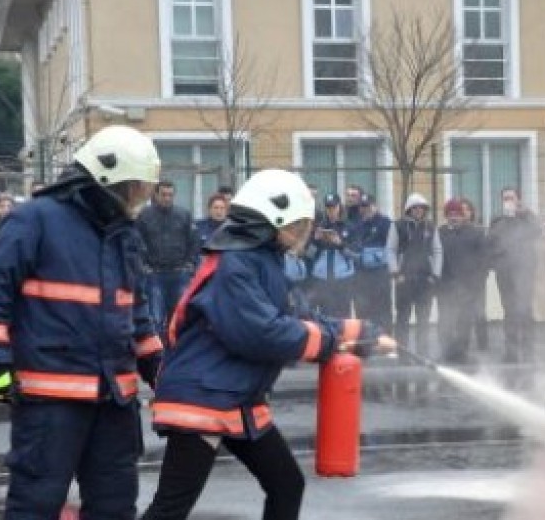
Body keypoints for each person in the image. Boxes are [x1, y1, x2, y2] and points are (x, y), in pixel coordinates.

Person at [141, 169, 395, 520]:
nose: (305, 232)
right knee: (172, 506)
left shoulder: (260, 259)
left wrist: (361, 331)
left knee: (287, 484)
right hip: (204, 399)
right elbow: (262, 333)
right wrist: (332, 342)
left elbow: (298, 318)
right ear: (275, 221)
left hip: (234, 395)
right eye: (300, 223)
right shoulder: (235, 264)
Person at [0, 126, 164, 517]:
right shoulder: (36, 219)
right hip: (51, 399)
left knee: (115, 505)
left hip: (114, 399)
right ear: (108, 181)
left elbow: (135, 311)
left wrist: (161, 371)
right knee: (35, 504)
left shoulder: (124, 233)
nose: (140, 199)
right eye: (136, 188)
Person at [136, 180, 198, 335]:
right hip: (154, 274)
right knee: (155, 318)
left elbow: (194, 241)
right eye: (164, 195)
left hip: (179, 273)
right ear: (155, 195)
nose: (167, 198)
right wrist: (143, 265)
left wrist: (190, 264)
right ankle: (158, 354)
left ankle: (177, 352)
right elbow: (136, 241)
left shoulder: (184, 215)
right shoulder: (144, 215)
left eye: (170, 195)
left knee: (179, 317)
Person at [487, 187, 542, 363]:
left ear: (518, 200)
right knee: (509, 311)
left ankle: (528, 349)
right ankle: (510, 351)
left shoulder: (527, 218)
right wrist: (495, 263)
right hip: (505, 272)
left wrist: (525, 214)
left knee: (525, 309)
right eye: (505, 198)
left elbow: (537, 231)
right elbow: (490, 243)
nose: (508, 201)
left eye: (511, 198)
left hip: (524, 271)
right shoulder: (497, 220)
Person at [386, 193, 442, 357]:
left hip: (425, 280)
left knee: (423, 319)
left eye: (422, 208)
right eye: (415, 208)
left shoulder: (430, 227)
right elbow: (390, 250)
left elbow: (437, 250)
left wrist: (435, 275)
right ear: (409, 209)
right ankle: (403, 353)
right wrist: (396, 273)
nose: (419, 211)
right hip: (404, 279)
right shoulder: (397, 226)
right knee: (403, 318)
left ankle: (422, 353)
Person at [436, 198, 487, 364]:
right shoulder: (440, 233)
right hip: (446, 286)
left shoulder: (476, 233)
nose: (454, 217)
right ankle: (447, 352)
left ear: (463, 216)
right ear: (446, 216)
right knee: (445, 321)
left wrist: (477, 283)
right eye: (450, 214)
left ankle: (462, 354)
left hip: (468, 286)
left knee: (464, 322)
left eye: (457, 214)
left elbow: (483, 260)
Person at [301, 192, 356, 319]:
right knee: (324, 314)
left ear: (339, 207)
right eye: (328, 207)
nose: (331, 211)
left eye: (334, 207)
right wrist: (315, 240)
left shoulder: (348, 226)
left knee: (343, 314)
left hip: (343, 278)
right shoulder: (318, 226)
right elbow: (308, 255)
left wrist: (340, 244)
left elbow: (356, 255)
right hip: (321, 278)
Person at [351, 193, 392, 335]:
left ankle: (385, 342)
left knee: (382, 311)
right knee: (363, 311)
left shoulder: (385, 223)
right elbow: (354, 247)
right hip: (361, 276)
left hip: (379, 275)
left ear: (375, 206)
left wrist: (371, 255)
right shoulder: (358, 225)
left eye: (367, 206)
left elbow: (391, 248)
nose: (364, 209)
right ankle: (365, 344)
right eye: (362, 207)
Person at [463, 199, 492, 352]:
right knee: (464, 314)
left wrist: (482, 276)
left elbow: (484, 256)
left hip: (477, 280)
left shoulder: (479, 231)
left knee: (479, 313)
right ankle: (464, 344)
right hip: (461, 281)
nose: (465, 212)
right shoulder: (455, 231)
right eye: (462, 209)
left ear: (472, 212)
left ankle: (483, 346)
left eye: (467, 209)